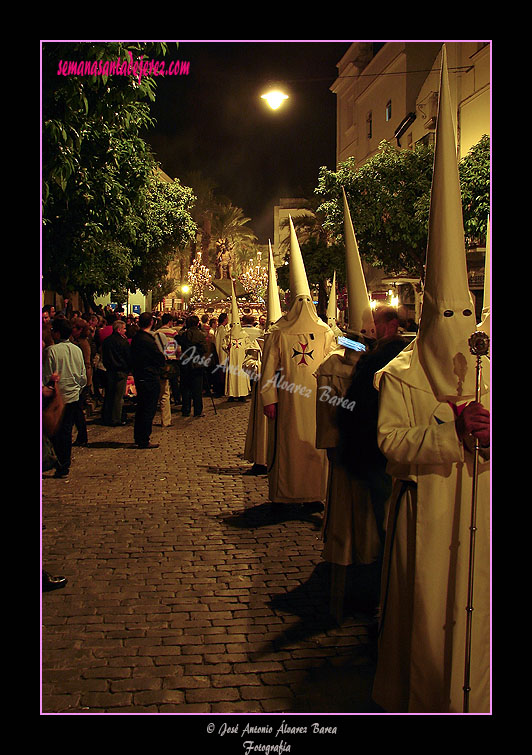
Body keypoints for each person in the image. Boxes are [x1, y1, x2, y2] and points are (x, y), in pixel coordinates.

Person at [371, 47, 490, 713]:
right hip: (427, 520)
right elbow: (391, 444)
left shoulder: (489, 362)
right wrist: (452, 426)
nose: (457, 324)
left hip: (484, 520)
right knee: (427, 643)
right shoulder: (398, 371)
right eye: (446, 313)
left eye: (465, 311)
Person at [260, 217, 335, 509]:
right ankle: (288, 493)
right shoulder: (279, 333)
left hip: (316, 399)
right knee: (290, 446)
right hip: (291, 398)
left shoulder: (325, 331)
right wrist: (270, 398)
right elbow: (268, 370)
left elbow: (332, 360)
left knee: (314, 446)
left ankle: (316, 492)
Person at [43, 317, 87, 478]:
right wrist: (78, 388)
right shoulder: (77, 349)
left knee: (53, 431)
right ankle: (64, 462)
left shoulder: (52, 351)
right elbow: (82, 375)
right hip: (73, 394)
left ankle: (57, 461)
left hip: (56, 397)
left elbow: (47, 375)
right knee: (66, 431)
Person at [130, 312, 166, 448]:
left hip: (140, 375)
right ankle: (144, 438)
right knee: (147, 409)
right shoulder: (147, 340)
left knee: (141, 409)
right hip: (149, 377)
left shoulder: (137, 338)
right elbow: (159, 358)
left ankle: (139, 437)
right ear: (151, 322)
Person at [101, 319, 132, 426]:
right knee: (118, 396)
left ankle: (106, 416)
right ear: (119, 330)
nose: (125, 331)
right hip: (121, 371)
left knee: (109, 394)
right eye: (124, 329)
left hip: (110, 370)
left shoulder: (107, 341)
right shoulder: (123, 342)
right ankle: (116, 418)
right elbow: (128, 356)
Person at [177, 315, 208, 418]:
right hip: (197, 362)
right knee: (197, 388)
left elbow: (178, 340)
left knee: (185, 387)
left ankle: (186, 409)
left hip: (185, 362)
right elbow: (205, 349)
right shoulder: (201, 335)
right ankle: (198, 410)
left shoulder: (184, 335)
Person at [154, 314, 179, 427]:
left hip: (158, 362)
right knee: (167, 390)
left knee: (160, 390)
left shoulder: (156, 333)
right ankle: (166, 419)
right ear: (170, 322)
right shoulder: (173, 333)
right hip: (170, 360)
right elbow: (177, 347)